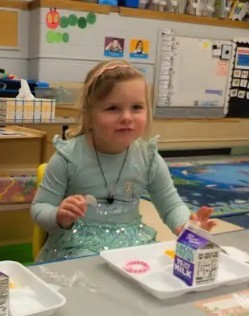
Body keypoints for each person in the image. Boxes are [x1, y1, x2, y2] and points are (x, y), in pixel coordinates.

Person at [31, 60, 216, 263]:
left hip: (132, 244)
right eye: (113, 108)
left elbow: (171, 206)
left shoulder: (149, 158)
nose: (127, 117)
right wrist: (59, 215)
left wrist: (188, 225)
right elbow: (40, 208)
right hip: (77, 247)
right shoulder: (68, 158)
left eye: (136, 107)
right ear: (89, 114)